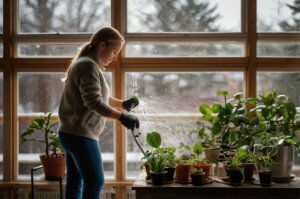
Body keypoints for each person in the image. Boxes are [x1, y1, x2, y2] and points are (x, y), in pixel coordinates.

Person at [58, 27, 139, 199]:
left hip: (70, 133)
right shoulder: (88, 66)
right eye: (115, 51)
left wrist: (123, 104)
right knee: (95, 182)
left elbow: (99, 96)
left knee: (75, 183)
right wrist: (122, 117)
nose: (115, 57)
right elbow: (94, 102)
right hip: (80, 135)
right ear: (102, 45)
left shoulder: (85, 64)